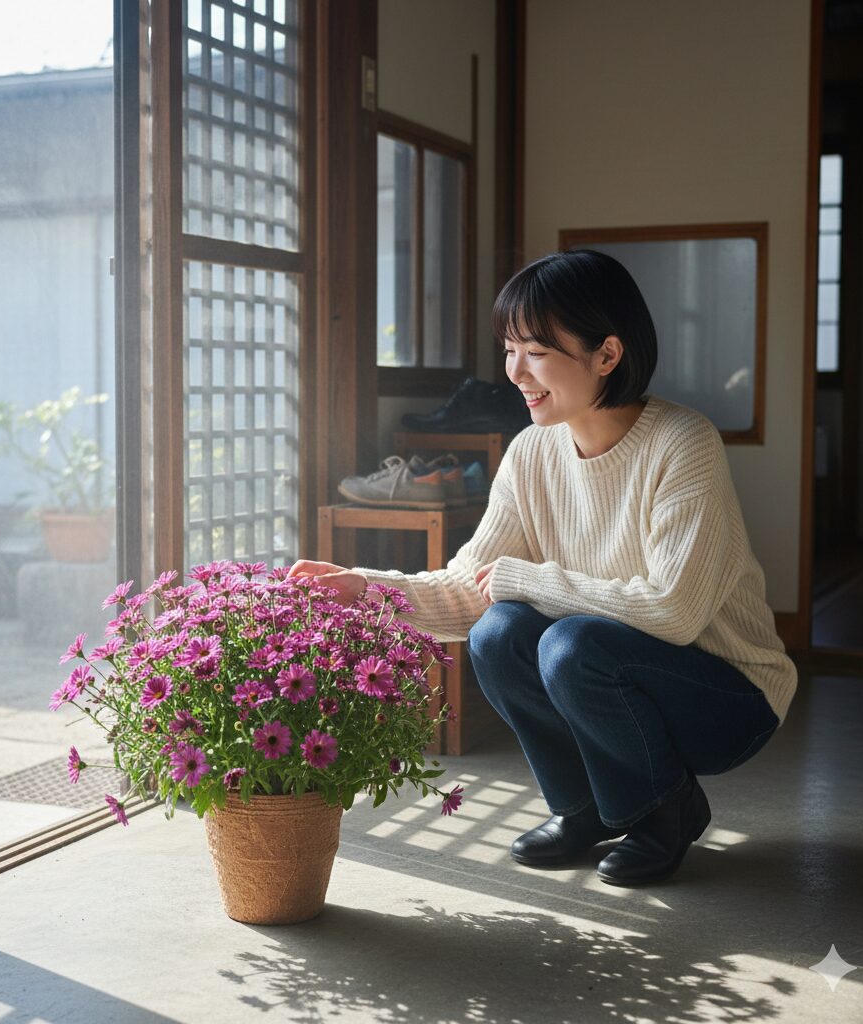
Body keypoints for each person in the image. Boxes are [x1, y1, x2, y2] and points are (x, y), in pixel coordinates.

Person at [290, 250, 797, 886]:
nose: (515, 372)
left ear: (607, 355)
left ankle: (664, 811)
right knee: (497, 633)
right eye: (508, 349)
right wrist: (363, 589)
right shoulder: (531, 453)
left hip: (729, 696)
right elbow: (472, 588)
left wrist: (525, 578)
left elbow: (673, 612)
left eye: (535, 350)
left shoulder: (682, 443)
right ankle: (583, 810)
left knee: (570, 643)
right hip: (625, 674)